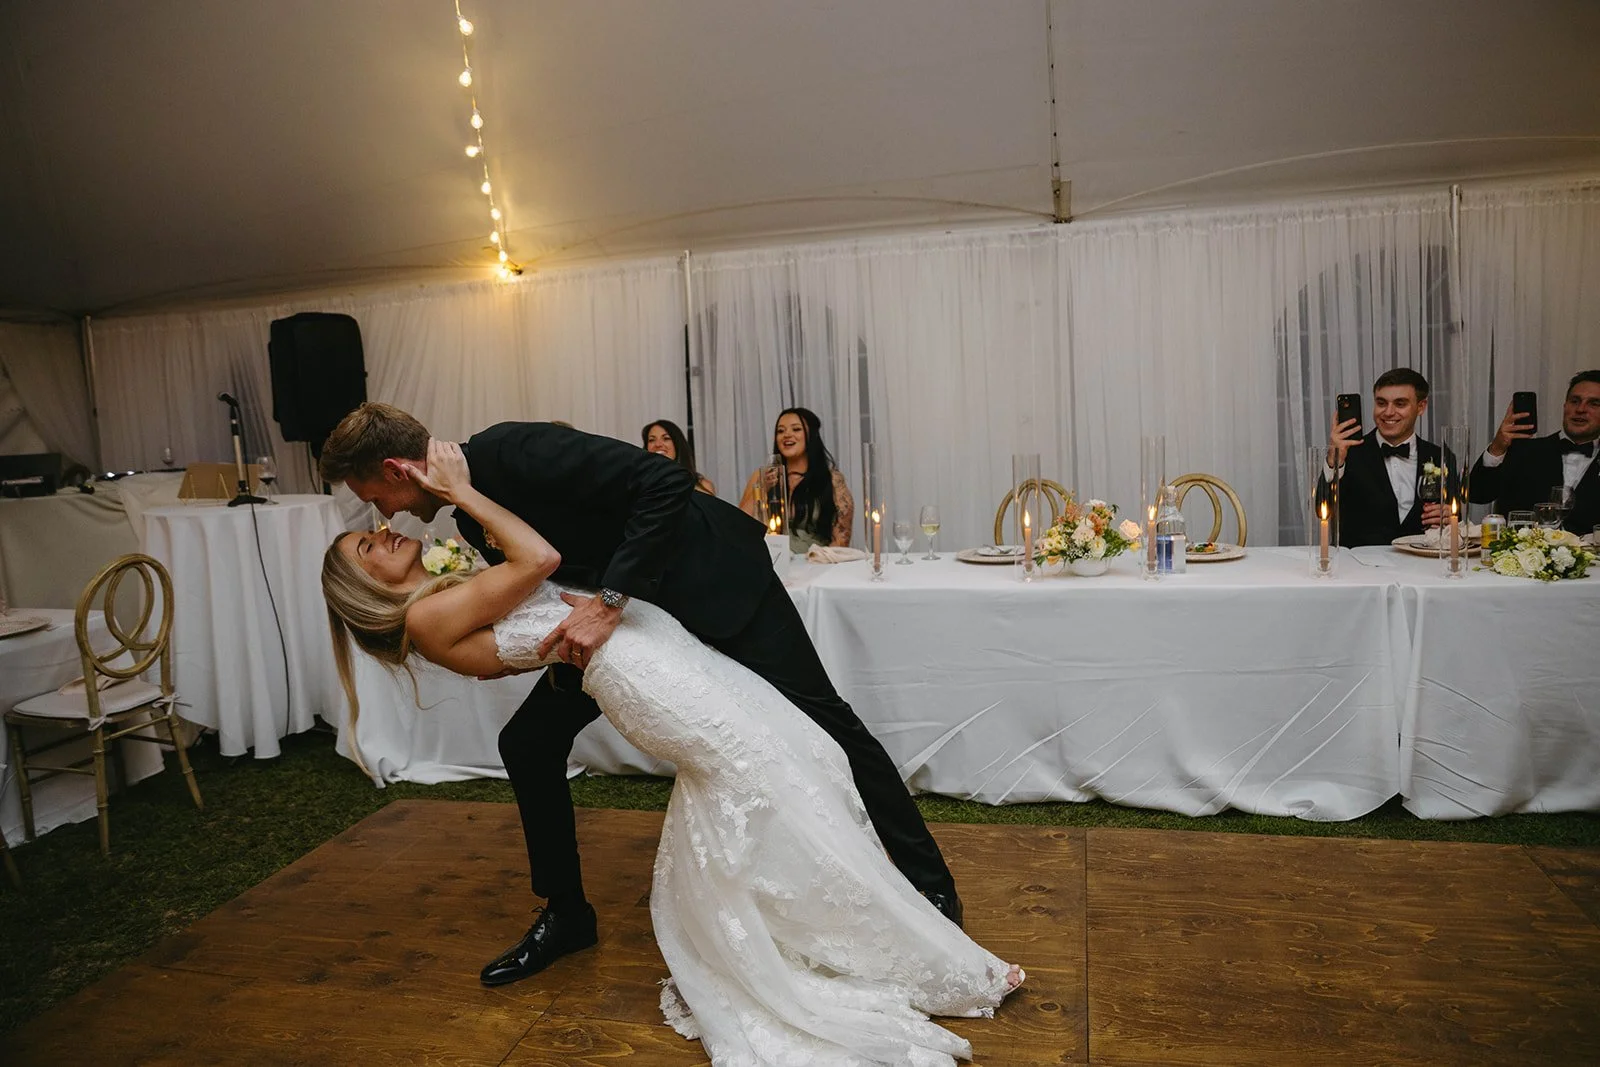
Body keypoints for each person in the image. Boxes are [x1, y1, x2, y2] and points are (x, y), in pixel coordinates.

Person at [322, 439, 1020, 1065]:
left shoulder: (510, 455)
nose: (381, 516)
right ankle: (567, 912)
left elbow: (661, 482)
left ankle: (930, 884)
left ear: (393, 470)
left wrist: (612, 600)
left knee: (821, 723)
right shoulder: (461, 521)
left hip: (703, 585)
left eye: (372, 498)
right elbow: (529, 592)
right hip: (619, 634)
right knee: (528, 741)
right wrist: (594, 620)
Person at [1325, 368, 1449, 547]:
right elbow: (1321, 508)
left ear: (1421, 406)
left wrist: (1449, 514)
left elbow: (1455, 514)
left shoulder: (1440, 456)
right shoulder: (1349, 452)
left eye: (1400, 404)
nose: (1388, 412)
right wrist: (1333, 461)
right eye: (1381, 403)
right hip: (1359, 569)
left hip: (1421, 566)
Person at [1470, 370, 1600, 534]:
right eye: (1575, 401)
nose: (1580, 409)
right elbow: (1478, 494)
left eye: (1594, 403)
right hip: (1520, 555)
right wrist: (1497, 446)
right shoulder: (1525, 451)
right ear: (1565, 406)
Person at [738, 407, 853, 551]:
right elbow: (738, 526)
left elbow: (841, 540)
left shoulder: (832, 480)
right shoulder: (761, 476)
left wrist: (819, 566)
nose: (787, 435)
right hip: (770, 563)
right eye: (780, 431)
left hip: (815, 564)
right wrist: (762, 489)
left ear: (811, 435)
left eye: (796, 429)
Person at [642, 418, 715, 495]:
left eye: (666, 438)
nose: (658, 444)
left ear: (678, 445)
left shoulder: (702, 486)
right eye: (651, 440)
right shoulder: (638, 484)